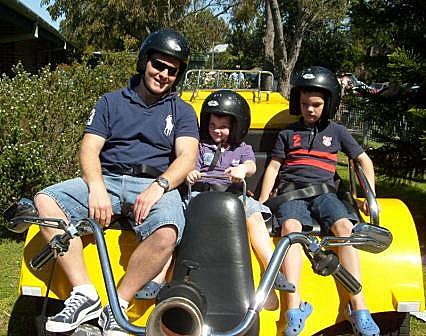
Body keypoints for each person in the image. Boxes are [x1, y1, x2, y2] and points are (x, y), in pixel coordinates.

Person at [34, 29, 199, 335]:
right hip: (107, 179)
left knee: (167, 231)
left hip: (154, 184)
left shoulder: (183, 111)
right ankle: (84, 294)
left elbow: (187, 157)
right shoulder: (110, 102)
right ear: (144, 61)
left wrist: (159, 186)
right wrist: (95, 187)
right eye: (158, 65)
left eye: (171, 71)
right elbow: (89, 148)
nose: (163, 74)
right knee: (45, 201)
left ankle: (117, 306)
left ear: (178, 76)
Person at [139, 90, 287, 310]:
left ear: (236, 127)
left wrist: (242, 169)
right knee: (176, 225)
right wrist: (190, 173)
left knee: (255, 218)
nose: (218, 131)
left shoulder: (242, 149)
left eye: (224, 126)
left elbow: (252, 166)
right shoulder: (199, 147)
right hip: (201, 197)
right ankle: (157, 278)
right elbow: (189, 166)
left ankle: (272, 270)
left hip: (234, 198)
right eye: (213, 125)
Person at [259, 66, 380, 336]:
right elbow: (274, 168)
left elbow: (364, 160)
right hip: (292, 192)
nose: (310, 109)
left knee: (344, 229)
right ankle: (294, 306)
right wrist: (264, 200)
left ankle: (357, 305)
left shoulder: (337, 131)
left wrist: (367, 196)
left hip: (326, 193)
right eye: (304, 104)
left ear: (328, 104)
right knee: (290, 229)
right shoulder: (287, 134)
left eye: (316, 104)